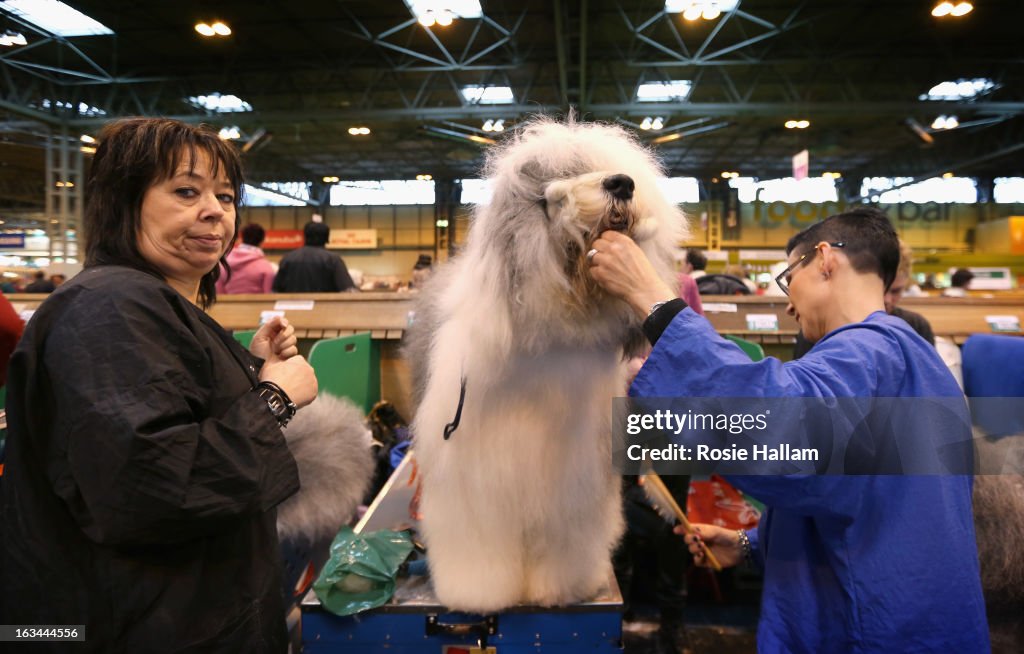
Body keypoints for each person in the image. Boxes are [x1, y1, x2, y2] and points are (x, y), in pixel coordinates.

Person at [588, 207, 988, 652]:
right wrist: (752, 544)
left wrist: (653, 300)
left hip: (871, 631)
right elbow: (876, 500)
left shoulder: (867, 355)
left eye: (788, 279)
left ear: (824, 259)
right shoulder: (916, 358)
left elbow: (778, 432)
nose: (788, 302)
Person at [0, 117, 319, 653]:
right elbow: (154, 487)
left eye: (225, 195)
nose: (215, 210)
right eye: (185, 191)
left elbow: (174, 413)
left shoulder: (149, 302)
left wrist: (250, 369)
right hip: (130, 627)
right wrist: (275, 398)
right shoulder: (108, 309)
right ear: (125, 202)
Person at [792, 238, 934, 357]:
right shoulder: (818, 327)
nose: (887, 300)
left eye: (896, 291)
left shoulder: (916, 327)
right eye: (881, 290)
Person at [272, 221, 356, 292]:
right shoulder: (333, 260)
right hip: (325, 309)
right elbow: (348, 289)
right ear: (327, 238)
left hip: (292, 308)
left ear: (305, 236)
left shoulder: (287, 258)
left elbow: (276, 289)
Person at [216, 222, 276, 294]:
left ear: (242, 239)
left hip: (229, 304)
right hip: (257, 305)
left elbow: (219, 293)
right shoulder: (267, 267)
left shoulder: (223, 264)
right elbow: (268, 295)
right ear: (262, 241)